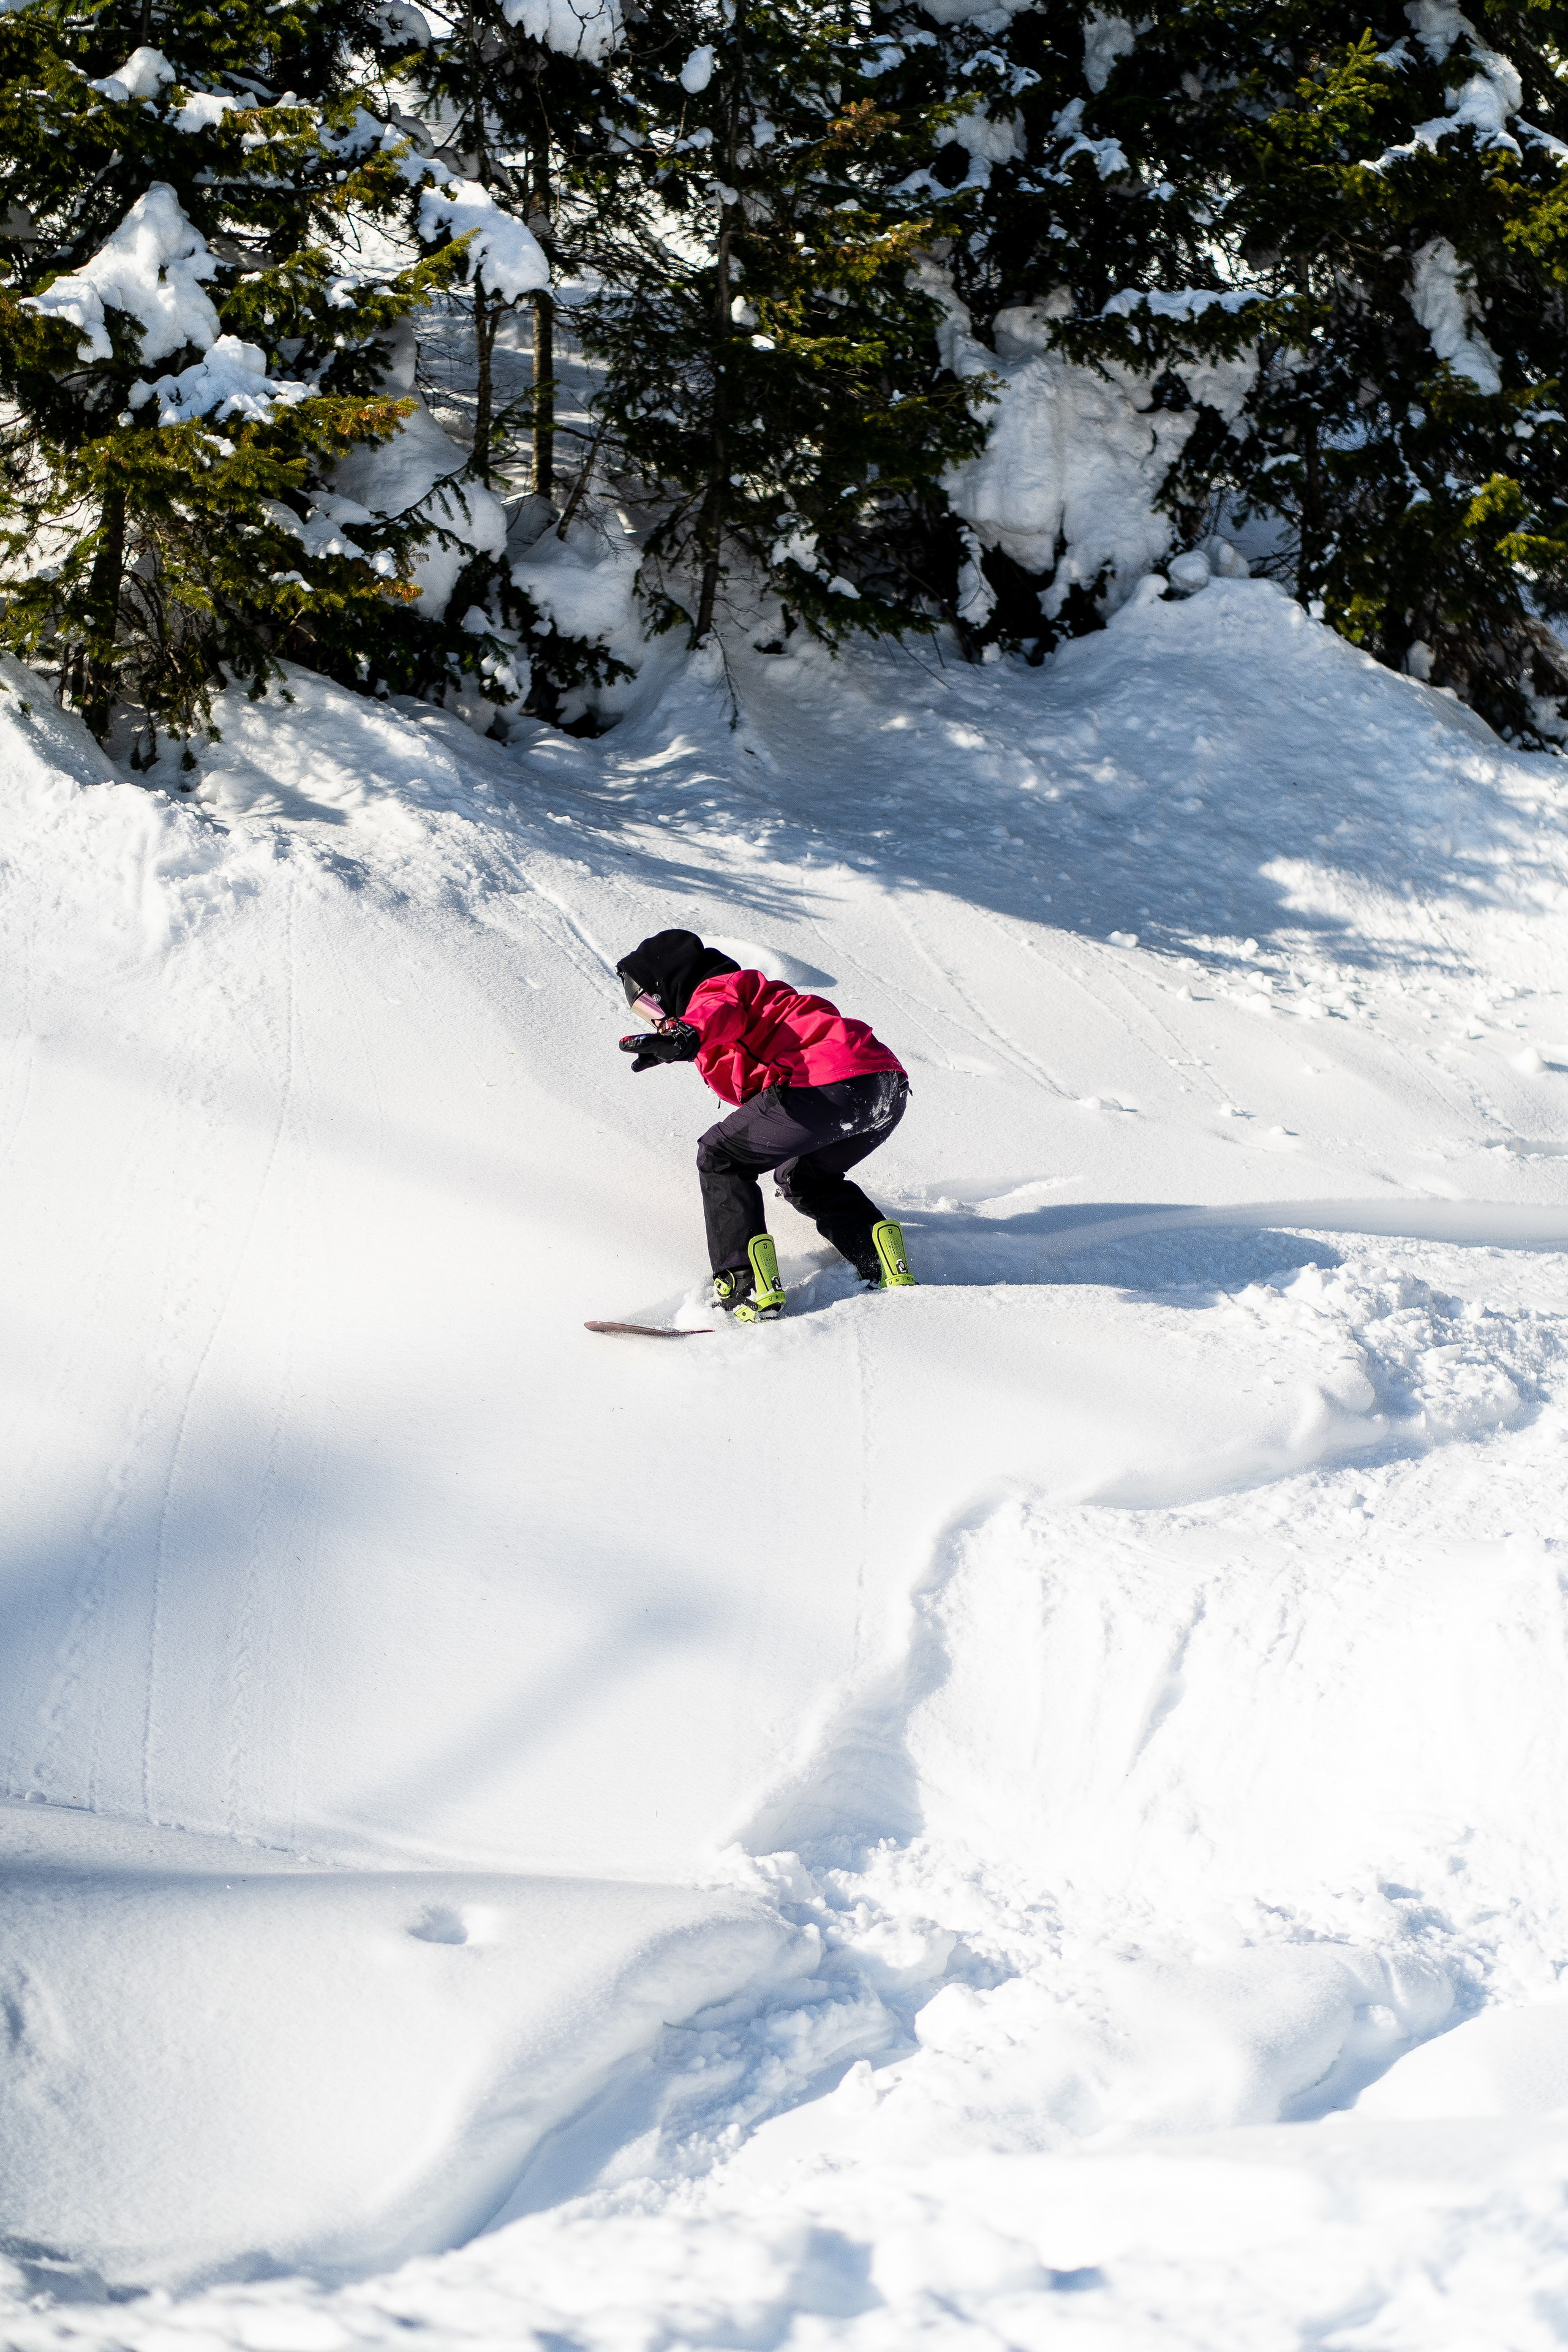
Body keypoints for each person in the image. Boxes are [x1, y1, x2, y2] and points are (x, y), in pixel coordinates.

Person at [614, 929, 915, 1321]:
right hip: (884, 1088)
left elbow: (718, 1011)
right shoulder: (759, 1004)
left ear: (670, 986)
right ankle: (879, 1260)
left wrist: (690, 1034)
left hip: (826, 1085)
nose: (656, 1021)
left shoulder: (718, 990)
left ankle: (744, 1287)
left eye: (650, 1008)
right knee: (805, 1179)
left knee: (721, 1156)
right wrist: (686, 1043)